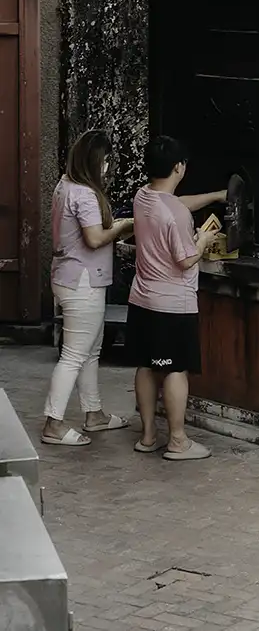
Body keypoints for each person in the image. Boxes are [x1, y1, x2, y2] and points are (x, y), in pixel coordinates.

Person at [125, 135, 226, 461]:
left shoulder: (143, 197)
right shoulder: (177, 217)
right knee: (174, 369)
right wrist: (204, 239)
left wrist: (215, 196)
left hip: (141, 298)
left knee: (145, 365)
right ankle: (178, 441)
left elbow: (177, 204)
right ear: (179, 167)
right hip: (173, 305)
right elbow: (185, 259)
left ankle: (148, 436)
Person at [42, 130, 134, 447]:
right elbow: (95, 239)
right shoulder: (83, 193)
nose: (108, 166)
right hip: (83, 282)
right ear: (96, 161)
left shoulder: (64, 185)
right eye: (106, 160)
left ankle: (94, 414)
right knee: (74, 355)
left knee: (91, 351)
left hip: (69, 277)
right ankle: (53, 424)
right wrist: (123, 225)